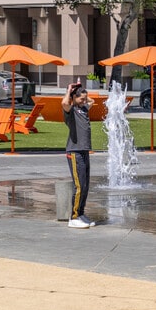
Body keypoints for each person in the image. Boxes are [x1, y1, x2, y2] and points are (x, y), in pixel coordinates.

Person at [62, 83, 95, 229]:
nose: (84, 101)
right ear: (74, 98)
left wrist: (82, 92)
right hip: (74, 152)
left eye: (84, 99)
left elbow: (92, 102)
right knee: (79, 185)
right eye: (81, 99)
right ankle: (73, 217)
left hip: (84, 151)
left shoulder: (83, 109)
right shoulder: (71, 111)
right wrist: (70, 90)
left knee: (86, 185)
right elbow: (64, 102)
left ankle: (81, 213)